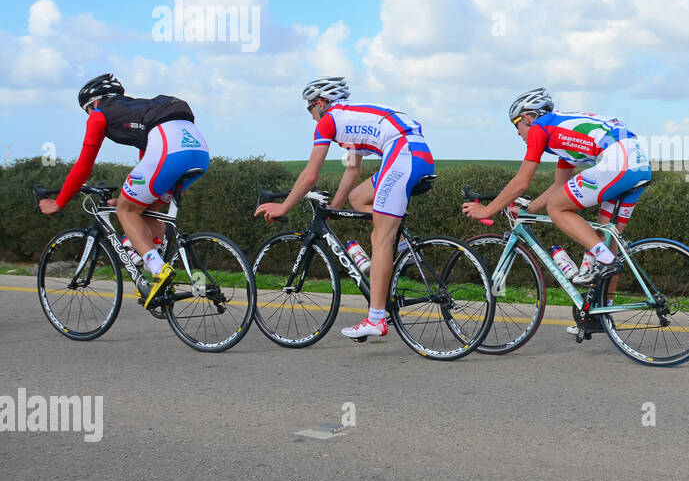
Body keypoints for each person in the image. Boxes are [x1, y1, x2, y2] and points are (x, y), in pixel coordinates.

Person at [253, 77, 434, 341]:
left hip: (402, 153)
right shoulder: (349, 119)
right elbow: (353, 171)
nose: (311, 116)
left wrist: (284, 206)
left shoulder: (329, 121)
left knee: (380, 239)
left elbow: (309, 176)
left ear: (320, 103)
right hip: (417, 153)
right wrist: (333, 209)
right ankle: (402, 245)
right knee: (357, 198)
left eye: (309, 109)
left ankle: (376, 319)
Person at [460, 89, 651, 334]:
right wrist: (526, 209)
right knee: (605, 238)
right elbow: (559, 185)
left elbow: (521, 182)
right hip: (637, 163)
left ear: (528, 117)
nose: (517, 133)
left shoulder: (540, 128)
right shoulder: (562, 134)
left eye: (516, 125)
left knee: (558, 209)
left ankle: (605, 262)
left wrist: (487, 210)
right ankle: (603, 313)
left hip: (617, 160)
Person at [39, 73, 210, 308]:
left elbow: (84, 165)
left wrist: (59, 201)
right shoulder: (137, 109)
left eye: (86, 111)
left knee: (125, 211)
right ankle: (157, 276)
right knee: (147, 208)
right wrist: (129, 196)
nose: (88, 116)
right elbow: (145, 158)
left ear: (94, 103)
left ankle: (158, 268)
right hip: (197, 149)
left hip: (168, 149)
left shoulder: (99, 114)